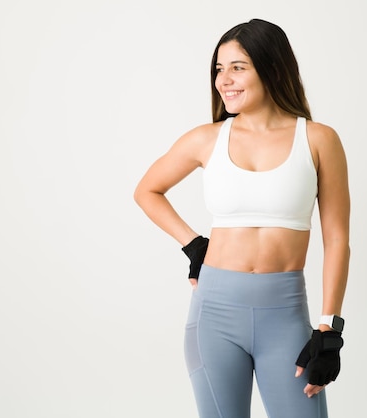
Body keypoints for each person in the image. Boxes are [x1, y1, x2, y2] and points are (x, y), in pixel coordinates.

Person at [133, 18, 350, 418]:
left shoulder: (319, 140)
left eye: (238, 67)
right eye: (219, 68)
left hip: (284, 317)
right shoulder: (205, 138)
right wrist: (194, 244)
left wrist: (329, 330)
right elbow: (147, 190)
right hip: (213, 316)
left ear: (272, 67)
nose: (224, 80)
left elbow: (336, 239)